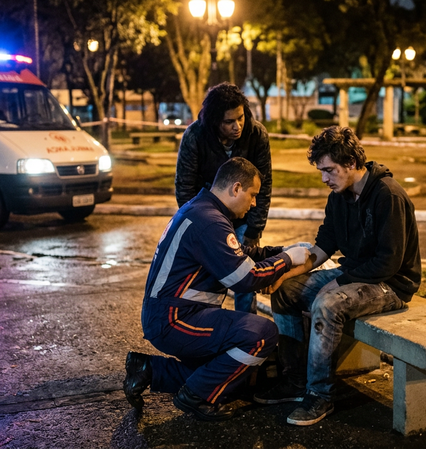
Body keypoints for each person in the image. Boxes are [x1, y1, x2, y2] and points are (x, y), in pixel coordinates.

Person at [252, 126, 422, 426]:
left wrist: (338, 282)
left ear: (352, 163)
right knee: (287, 292)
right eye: (321, 171)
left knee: (328, 303)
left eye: (329, 170)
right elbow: (323, 246)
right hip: (356, 275)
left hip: (391, 284)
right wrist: (287, 275)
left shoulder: (388, 196)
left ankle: (320, 395)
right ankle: (294, 380)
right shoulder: (339, 197)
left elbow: (389, 263)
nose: (324, 179)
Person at [123, 157, 311, 421]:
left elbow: (239, 255)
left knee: (231, 377)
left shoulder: (201, 210)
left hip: (171, 315)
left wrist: (278, 252)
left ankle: (150, 369)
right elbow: (245, 278)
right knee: (261, 334)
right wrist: (288, 260)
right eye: (253, 194)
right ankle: (195, 397)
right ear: (235, 188)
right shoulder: (210, 221)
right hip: (176, 320)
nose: (254, 203)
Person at [175, 82, 272, 314]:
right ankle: (204, 321)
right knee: (207, 275)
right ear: (215, 121)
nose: (237, 126)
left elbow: (264, 185)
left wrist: (253, 230)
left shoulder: (256, 134)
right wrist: (199, 226)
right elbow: (185, 186)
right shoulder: (195, 136)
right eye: (229, 122)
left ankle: (245, 325)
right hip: (208, 219)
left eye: (240, 118)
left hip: (244, 220)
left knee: (245, 277)